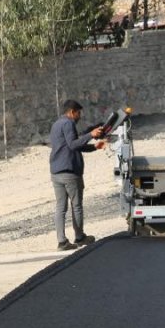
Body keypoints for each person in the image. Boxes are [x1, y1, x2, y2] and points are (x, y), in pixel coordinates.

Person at [49, 100, 106, 251]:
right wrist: (91, 134)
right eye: (78, 113)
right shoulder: (68, 124)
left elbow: (73, 146)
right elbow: (73, 144)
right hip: (70, 172)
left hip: (56, 171)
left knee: (60, 207)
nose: (79, 116)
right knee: (76, 206)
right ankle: (80, 237)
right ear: (72, 112)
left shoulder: (56, 124)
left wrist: (94, 146)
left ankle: (62, 241)